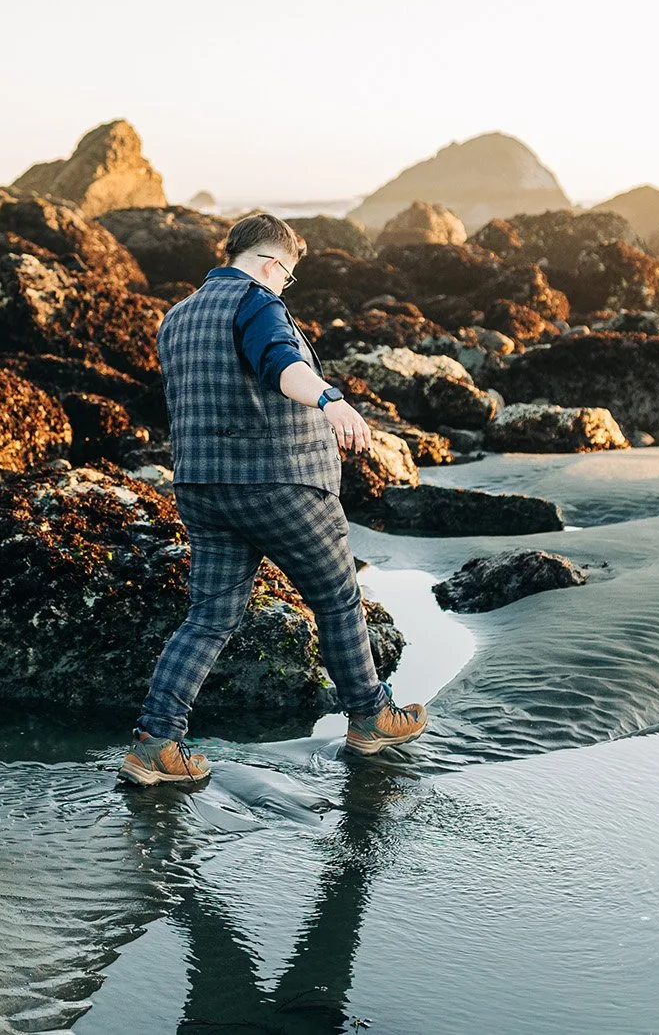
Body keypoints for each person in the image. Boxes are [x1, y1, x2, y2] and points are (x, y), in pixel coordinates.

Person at [122, 213, 430, 785]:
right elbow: (281, 365)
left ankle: (156, 743)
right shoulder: (258, 302)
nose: (285, 287)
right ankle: (370, 717)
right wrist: (332, 400)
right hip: (280, 484)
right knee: (337, 599)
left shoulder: (177, 317)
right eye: (287, 277)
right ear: (270, 264)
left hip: (201, 486)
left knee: (209, 618)